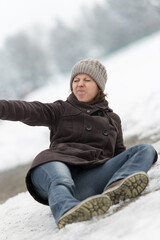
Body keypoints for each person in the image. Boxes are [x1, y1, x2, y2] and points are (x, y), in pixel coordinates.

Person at [0, 58, 157, 229]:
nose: (80, 84)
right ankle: (66, 210)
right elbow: (25, 110)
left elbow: (119, 155)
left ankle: (117, 186)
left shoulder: (112, 120)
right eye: (76, 80)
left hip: (86, 183)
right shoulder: (60, 109)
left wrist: (128, 167)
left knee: (145, 149)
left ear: (99, 86)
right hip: (52, 171)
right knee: (60, 177)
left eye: (87, 80)